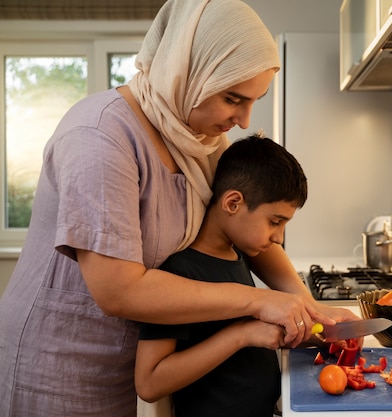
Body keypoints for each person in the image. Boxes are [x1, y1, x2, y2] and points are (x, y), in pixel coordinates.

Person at [0, 1, 359, 416]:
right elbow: (119, 290)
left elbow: (246, 234)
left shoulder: (198, 138)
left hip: (126, 358)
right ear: (189, 72)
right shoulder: (99, 137)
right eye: (232, 98)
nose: (243, 120)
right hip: (59, 362)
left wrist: (306, 307)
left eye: (253, 100)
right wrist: (256, 302)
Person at [135, 135, 307, 417]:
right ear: (233, 203)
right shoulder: (179, 272)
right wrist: (241, 335)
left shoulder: (238, 256)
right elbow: (149, 382)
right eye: (274, 222)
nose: (278, 238)